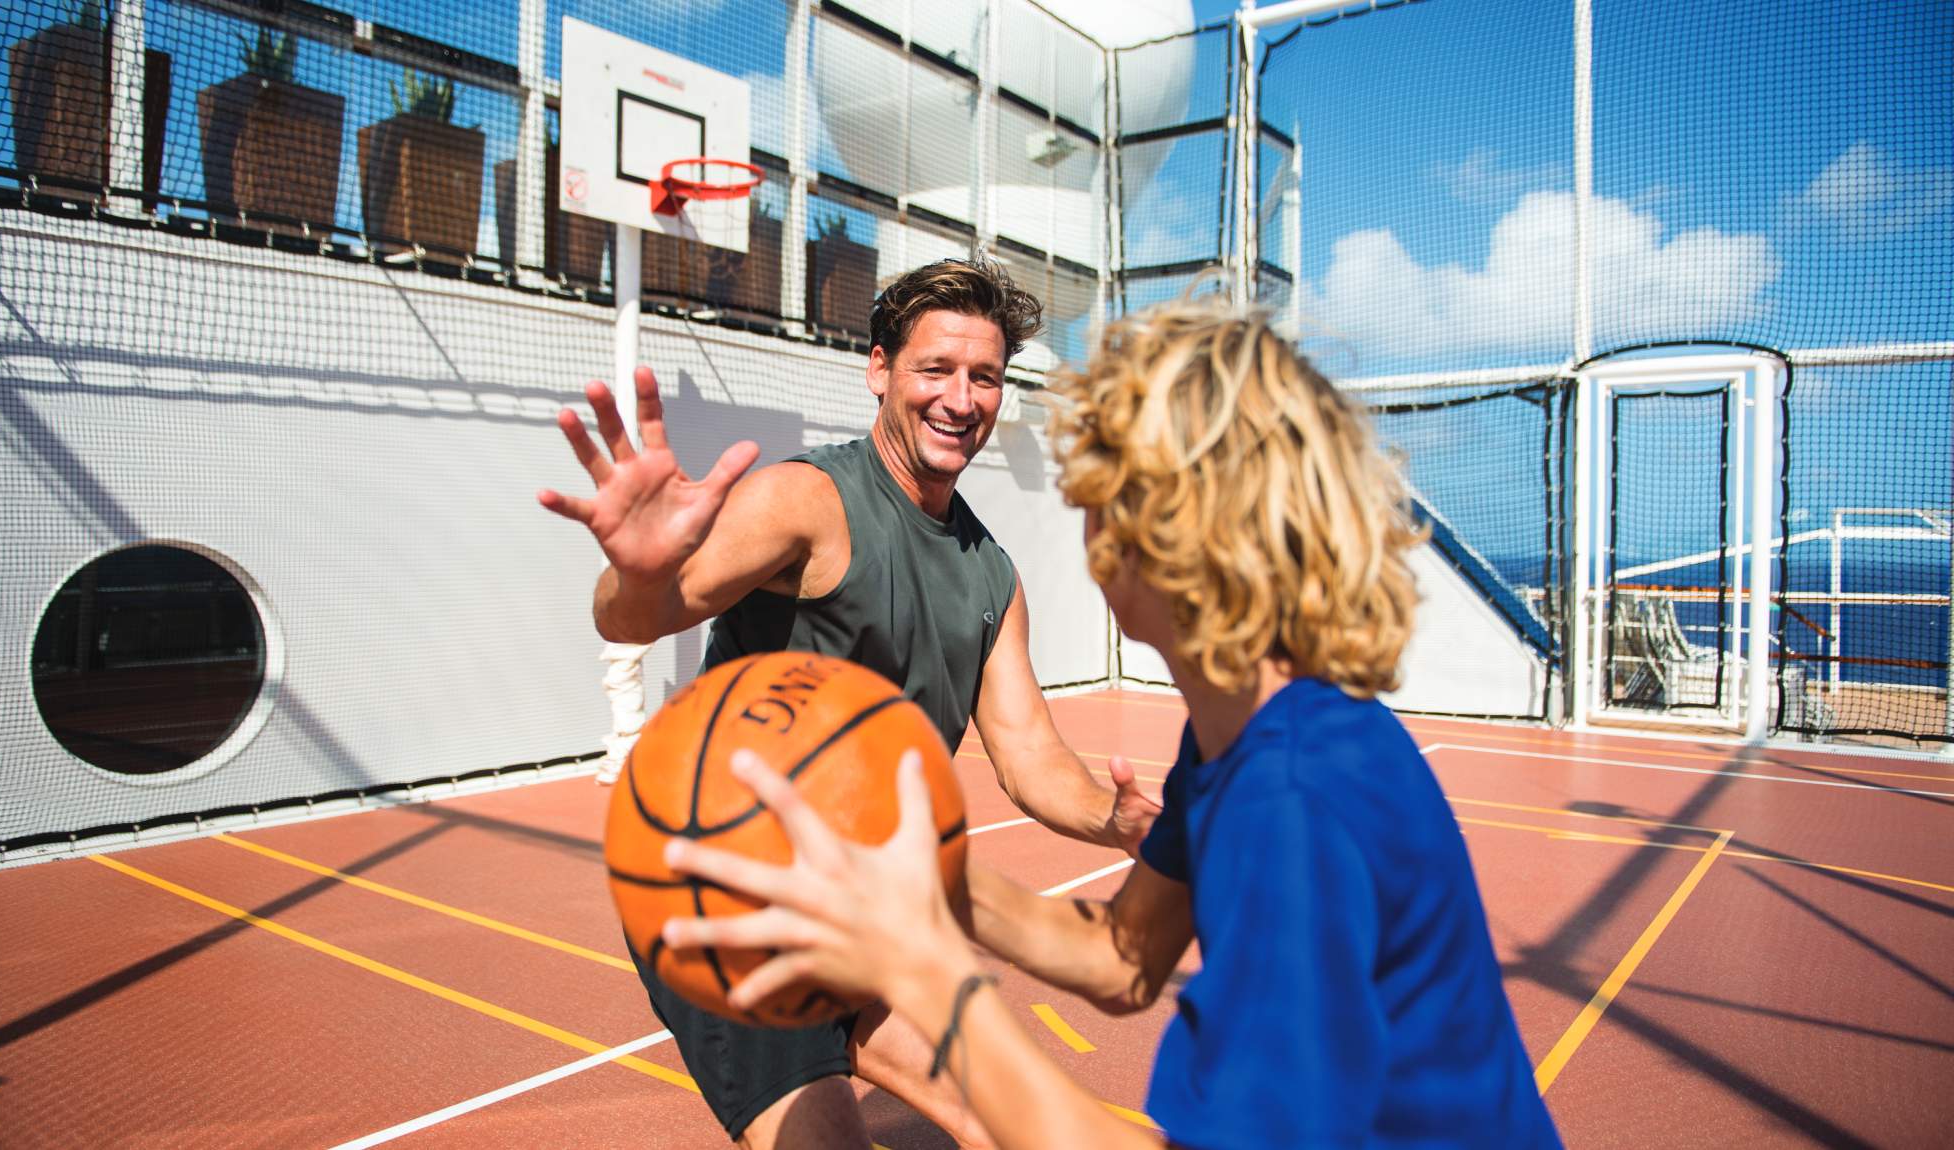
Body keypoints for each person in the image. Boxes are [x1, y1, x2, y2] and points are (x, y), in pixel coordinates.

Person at [658, 297, 1565, 1148]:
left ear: (1164, 526)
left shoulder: (1291, 802)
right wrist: (926, 879)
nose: (1084, 512)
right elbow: (1124, 959)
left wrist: (931, 972)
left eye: (1100, 488)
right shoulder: (1247, 739)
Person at [537, 259, 1163, 1149]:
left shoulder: (992, 574)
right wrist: (636, 571)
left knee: (1014, 1121)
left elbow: (1029, 759)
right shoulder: (807, 502)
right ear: (880, 371)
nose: (960, 397)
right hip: (728, 891)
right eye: (934, 369)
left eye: (983, 376)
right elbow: (644, 611)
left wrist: (1117, 817)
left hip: (860, 900)